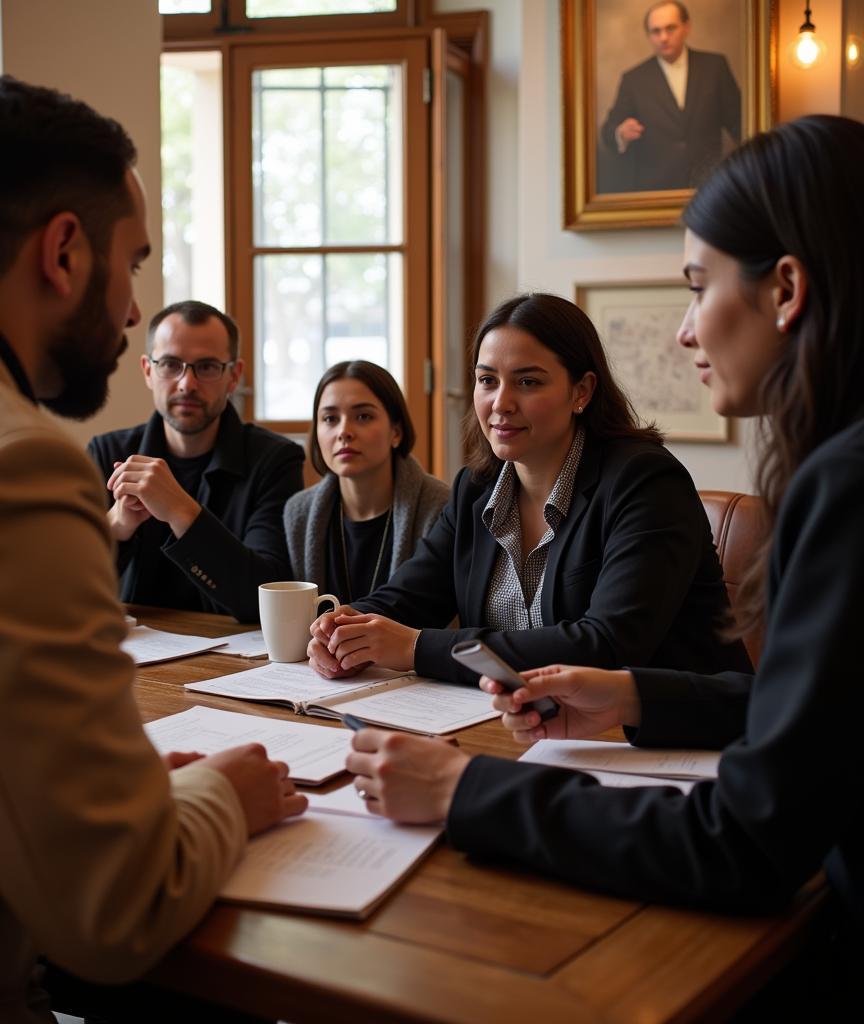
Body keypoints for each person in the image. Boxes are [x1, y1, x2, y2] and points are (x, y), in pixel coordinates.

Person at [347, 116, 864, 991]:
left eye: (698, 288)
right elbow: (813, 727)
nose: (685, 332)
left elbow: (745, 844)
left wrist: (461, 790)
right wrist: (631, 697)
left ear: (785, 289)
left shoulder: (833, 486)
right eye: (485, 380)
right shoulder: (478, 488)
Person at [0, 77, 305, 1023]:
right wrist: (224, 794)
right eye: (131, 264)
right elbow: (115, 909)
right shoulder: (6, 464)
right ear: (62, 251)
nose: (133, 310)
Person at [308, 292, 751, 684]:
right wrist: (345, 626)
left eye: (528, 381)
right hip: (521, 724)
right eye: (487, 381)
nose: (501, 403)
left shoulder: (646, 482)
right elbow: (408, 597)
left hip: (669, 740)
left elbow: (607, 646)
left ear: (582, 390)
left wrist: (415, 648)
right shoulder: (474, 489)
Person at [87, 300, 304, 622]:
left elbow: (265, 599)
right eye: (171, 365)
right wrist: (116, 526)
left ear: (234, 376)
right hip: (132, 658)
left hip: (236, 661)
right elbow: (63, 588)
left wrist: (181, 510)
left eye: (206, 367)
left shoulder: (274, 460)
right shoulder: (108, 453)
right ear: (148, 371)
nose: (187, 384)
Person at [284, 360, 449, 604]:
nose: (344, 432)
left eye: (363, 416)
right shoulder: (299, 512)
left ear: (396, 432)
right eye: (330, 418)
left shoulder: (439, 506)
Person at [599, 2, 740, 192]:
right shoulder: (634, 79)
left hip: (710, 186)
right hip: (656, 191)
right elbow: (609, 131)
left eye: (670, 28)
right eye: (655, 31)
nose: (663, 37)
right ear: (648, 36)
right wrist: (621, 133)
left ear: (686, 27)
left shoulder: (715, 66)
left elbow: (739, 121)